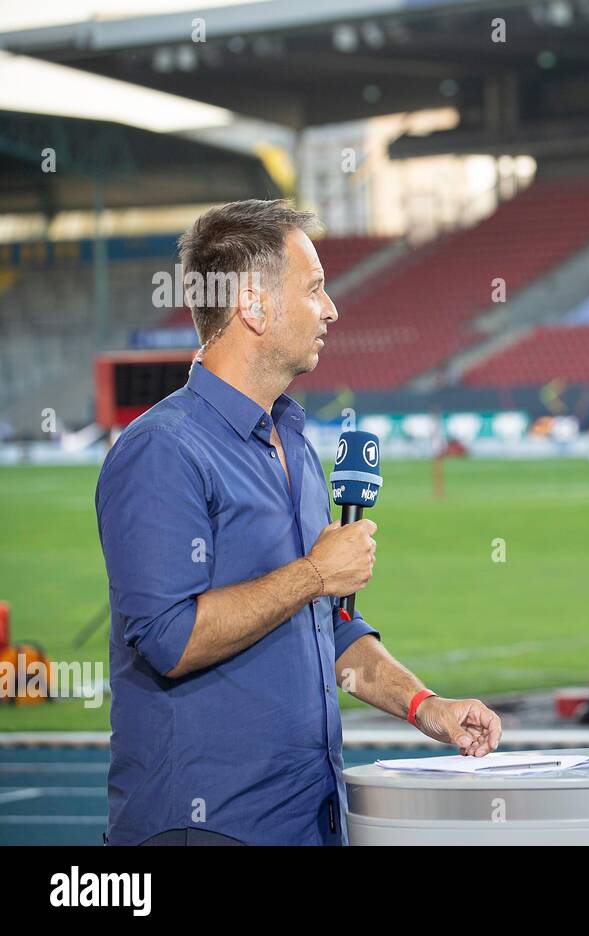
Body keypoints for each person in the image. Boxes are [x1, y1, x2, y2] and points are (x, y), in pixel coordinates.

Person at [96, 199, 501, 845]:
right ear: (253, 307)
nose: (332, 309)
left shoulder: (293, 443)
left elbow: (330, 628)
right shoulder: (163, 449)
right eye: (313, 289)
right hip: (209, 827)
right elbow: (170, 639)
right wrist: (314, 573)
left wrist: (425, 707)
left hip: (309, 817)